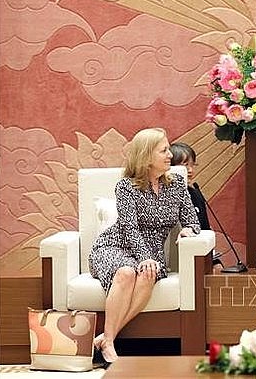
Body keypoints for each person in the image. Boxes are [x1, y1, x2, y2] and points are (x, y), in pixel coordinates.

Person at [88, 128, 200, 362]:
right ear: (146, 156)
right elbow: (129, 229)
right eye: (164, 150)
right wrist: (144, 257)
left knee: (148, 274)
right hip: (115, 246)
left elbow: (192, 219)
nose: (170, 155)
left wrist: (189, 229)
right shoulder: (126, 187)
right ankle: (109, 344)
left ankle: (107, 338)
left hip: (153, 253)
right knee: (127, 273)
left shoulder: (177, 184)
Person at [169, 142, 209, 232]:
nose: (190, 170)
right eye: (185, 165)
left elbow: (205, 228)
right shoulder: (164, 195)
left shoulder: (195, 194)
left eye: (192, 165)